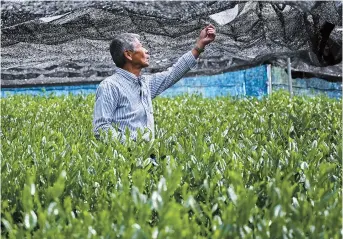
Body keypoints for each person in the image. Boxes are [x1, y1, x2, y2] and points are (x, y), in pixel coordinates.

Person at [93, 24, 216, 144]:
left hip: (148, 158)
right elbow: (101, 128)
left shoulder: (145, 83)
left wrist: (199, 46)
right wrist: (133, 147)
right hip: (126, 160)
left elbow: (172, 73)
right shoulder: (110, 86)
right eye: (141, 46)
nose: (146, 50)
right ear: (128, 55)